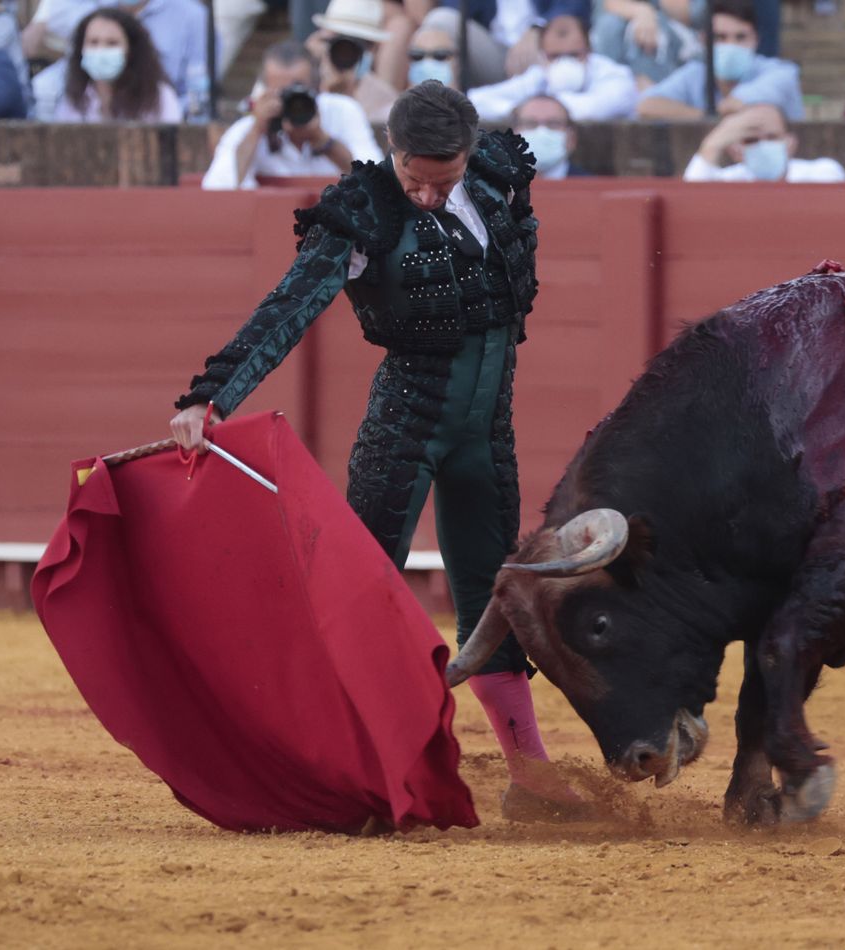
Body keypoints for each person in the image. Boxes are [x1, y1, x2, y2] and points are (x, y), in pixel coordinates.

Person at [171, 81, 589, 823]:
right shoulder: (362, 211)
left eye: (443, 179)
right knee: (359, 594)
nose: (427, 196)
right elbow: (292, 302)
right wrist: (213, 393)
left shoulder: (496, 178)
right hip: (407, 422)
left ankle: (531, 774)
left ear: (467, 155)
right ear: (390, 151)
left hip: (488, 431)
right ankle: (339, 771)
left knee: (496, 600)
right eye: (413, 179)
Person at [202, 40, 382, 190]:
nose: (291, 103)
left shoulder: (343, 111)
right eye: (281, 94)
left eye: (298, 91)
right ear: (265, 92)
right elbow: (219, 188)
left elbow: (378, 181)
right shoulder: (253, 125)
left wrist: (324, 141)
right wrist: (256, 131)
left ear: (317, 86)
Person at [637, 0, 803, 119]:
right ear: (703, 40)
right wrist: (705, 117)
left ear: (756, 39)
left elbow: (734, 106)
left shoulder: (781, 73)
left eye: (741, 37)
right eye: (720, 37)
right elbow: (647, 105)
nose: (731, 45)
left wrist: (710, 115)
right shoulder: (696, 73)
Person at [23, 0, 211, 98]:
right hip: (95, 110)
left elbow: (199, 91)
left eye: (111, 43)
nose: (102, 48)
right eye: (95, 42)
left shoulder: (191, 16)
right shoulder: (95, 7)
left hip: (158, 116)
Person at [469, 14, 638, 120]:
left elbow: (592, 108)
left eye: (573, 55)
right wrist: (514, 109)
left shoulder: (616, 76)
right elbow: (477, 100)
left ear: (589, 52)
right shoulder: (540, 75)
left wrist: (531, 110)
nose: (564, 63)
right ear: (543, 56)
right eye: (555, 56)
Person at [402, 0, 594, 84]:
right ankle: (443, 113)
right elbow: (455, 10)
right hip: (495, 57)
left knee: (571, 36)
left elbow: (575, 5)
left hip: (549, 52)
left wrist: (539, 29)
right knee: (440, 22)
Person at [53, 7, 183, 122]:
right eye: (93, 42)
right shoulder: (73, 100)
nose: (101, 51)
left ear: (131, 50)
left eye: (112, 43)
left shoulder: (160, 98)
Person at [682, 102, 845, 181]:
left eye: (771, 138)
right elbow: (692, 191)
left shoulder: (821, 173)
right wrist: (713, 143)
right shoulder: (729, 181)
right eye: (751, 140)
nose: (762, 145)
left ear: (791, 143)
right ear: (735, 151)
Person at [305, 0, 409, 123]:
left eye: (362, 43)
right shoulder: (306, 81)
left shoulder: (385, 100)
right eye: (339, 41)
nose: (346, 52)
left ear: (374, 48)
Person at [591, 0, 702, 84]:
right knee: (610, 25)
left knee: (659, 33)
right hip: (618, 57)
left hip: (682, 44)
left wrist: (648, 15)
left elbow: (685, 14)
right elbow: (611, 4)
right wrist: (641, 11)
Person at [513, 93, 594, 177]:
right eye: (531, 123)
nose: (542, 132)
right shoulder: (499, 186)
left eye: (553, 124)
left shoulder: (593, 187)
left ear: (572, 138)